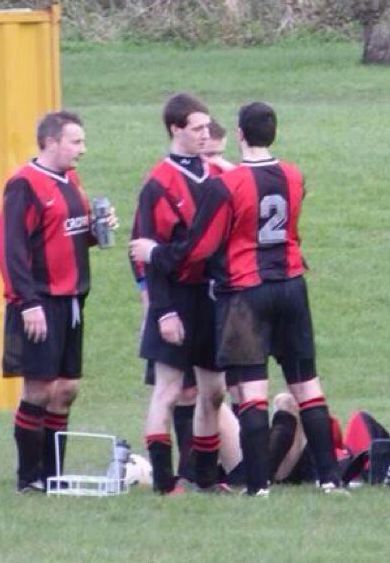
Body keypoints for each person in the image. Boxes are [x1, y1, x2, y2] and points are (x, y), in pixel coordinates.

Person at [131, 101, 346, 497]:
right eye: (198, 130)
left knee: (247, 391)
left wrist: (155, 254)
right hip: (289, 284)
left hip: (244, 290)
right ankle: (329, 478)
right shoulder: (293, 175)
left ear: (241, 136)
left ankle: (255, 485)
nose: (205, 139)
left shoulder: (225, 183)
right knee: (306, 384)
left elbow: (198, 248)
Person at [0, 110, 115, 493]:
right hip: (40, 301)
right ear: (50, 142)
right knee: (39, 390)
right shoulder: (24, 185)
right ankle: (29, 478)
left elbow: (68, 234)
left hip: (73, 300)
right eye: (75, 141)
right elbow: (10, 249)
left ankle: (54, 475)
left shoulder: (70, 180)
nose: (83, 149)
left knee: (66, 390)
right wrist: (27, 302)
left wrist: (98, 230)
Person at [131, 93, 228, 494]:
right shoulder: (158, 184)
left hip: (212, 299)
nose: (206, 134)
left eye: (208, 127)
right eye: (198, 129)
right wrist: (163, 312)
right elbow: (145, 254)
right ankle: (164, 482)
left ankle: (204, 476)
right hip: (176, 299)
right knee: (168, 392)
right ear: (176, 130)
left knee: (215, 393)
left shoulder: (217, 175)